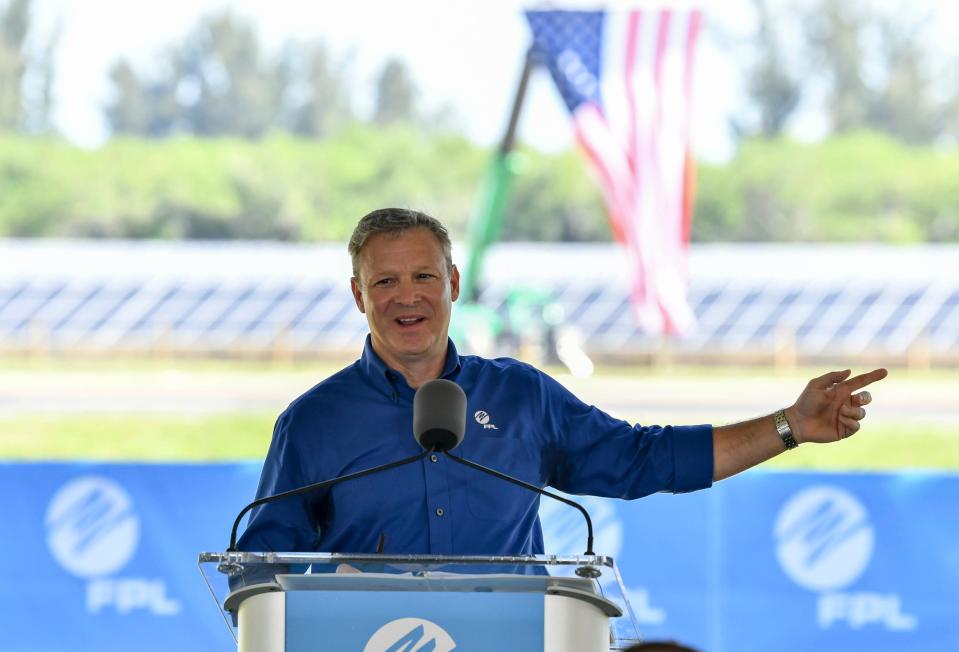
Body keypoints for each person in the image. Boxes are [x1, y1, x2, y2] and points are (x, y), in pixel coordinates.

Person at [236, 207, 887, 555]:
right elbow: (259, 572)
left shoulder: (522, 396)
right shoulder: (313, 421)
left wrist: (789, 426)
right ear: (358, 296)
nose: (407, 297)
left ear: (454, 284)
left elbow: (644, 459)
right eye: (385, 282)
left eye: (424, 277)